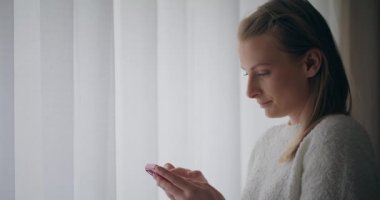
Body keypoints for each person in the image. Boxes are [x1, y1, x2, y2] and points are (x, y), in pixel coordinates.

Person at [148, 0, 380, 199]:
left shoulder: (337, 137)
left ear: (311, 63)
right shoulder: (266, 145)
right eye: (247, 73)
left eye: (262, 72)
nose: (249, 91)